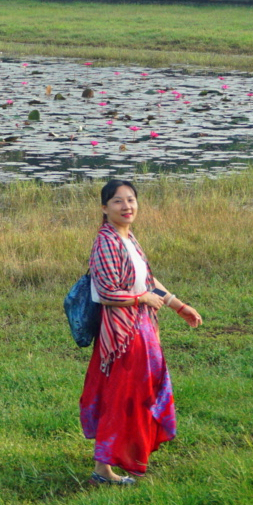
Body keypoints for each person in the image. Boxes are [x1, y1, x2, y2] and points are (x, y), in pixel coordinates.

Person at [80, 179, 201, 485]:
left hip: (142, 329)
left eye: (131, 200)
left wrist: (178, 305)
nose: (127, 206)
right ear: (104, 208)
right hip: (123, 334)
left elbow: (147, 280)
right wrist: (141, 299)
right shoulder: (106, 242)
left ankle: (113, 462)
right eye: (118, 201)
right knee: (123, 397)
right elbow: (106, 292)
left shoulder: (128, 238)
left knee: (134, 395)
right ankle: (104, 469)